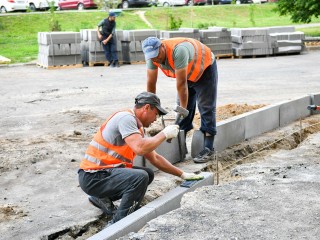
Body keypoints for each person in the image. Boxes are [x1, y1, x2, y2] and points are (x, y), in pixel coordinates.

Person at [78, 92, 203, 226]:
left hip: (104, 174)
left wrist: (183, 174)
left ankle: (102, 197)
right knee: (139, 177)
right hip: (93, 176)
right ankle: (118, 224)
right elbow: (140, 148)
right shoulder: (126, 119)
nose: (156, 119)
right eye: (156, 113)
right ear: (147, 108)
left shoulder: (137, 128)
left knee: (147, 174)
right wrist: (163, 134)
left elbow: (155, 158)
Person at [142, 37, 218, 164]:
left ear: (162, 47)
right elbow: (151, 84)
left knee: (206, 107)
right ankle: (180, 146)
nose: (155, 59)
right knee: (183, 110)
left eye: (157, 55)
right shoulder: (151, 58)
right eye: (151, 57)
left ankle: (208, 148)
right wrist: (151, 107)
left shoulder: (179, 51)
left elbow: (181, 84)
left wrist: (182, 110)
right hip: (186, 72)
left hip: (204, 68)